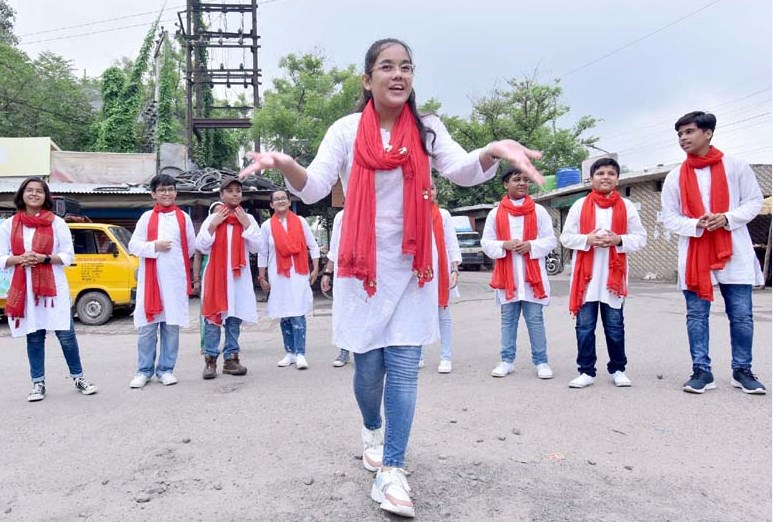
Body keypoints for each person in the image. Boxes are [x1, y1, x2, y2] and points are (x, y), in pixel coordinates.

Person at [238, 38, 542, 518]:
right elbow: (316, 186)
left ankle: (393, 469)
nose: (397, 75)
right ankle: (371, 428)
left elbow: (462, 172)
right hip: (361, 267)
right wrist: (285, 164)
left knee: (403, 366)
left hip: (412, 263)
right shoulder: (345, 130)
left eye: (406, 67)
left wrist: (492, 151)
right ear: (368, 78)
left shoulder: (427, 129)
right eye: (386, 67)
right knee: (368, 372)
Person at [661, 111, 766, 395]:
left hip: (734, 251)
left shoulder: (736, 166)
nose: (683, 138)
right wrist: (696, 222)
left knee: (741, 315)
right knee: (696, 315)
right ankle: (701, 371)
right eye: (680, 134)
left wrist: (727, 218)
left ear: (708, 133)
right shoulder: (674, 177)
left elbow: (755, 201)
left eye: (689, 131)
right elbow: (668, 217)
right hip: (695, 252)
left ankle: (742, 370)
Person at [0, 177, 98, 401]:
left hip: (53, 288)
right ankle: (38, 383)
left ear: (46, 197)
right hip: (26, 288)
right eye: (29, 190)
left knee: (66, 335)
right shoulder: (9, 224)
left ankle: (78, 377)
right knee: (34, 336)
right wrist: (20, 258)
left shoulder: (56, 223)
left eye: (39, 191)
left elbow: (67, 256)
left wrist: (43, 258)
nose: (34, 194)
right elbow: (1, 257)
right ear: (22, 195)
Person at [560, 157, 647, 389]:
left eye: (611, 173)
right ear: (592, 178)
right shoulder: (579, 205)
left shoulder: (626, 206)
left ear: (617, 179)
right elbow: (566, 237)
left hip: (613, 278)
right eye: (600, 173)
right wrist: (588, 239)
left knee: (615, 326)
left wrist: (618, 239)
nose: (605, 177)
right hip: (585, 280)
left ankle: (618, 368)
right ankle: (586, 371)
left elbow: (640, 238)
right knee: (585, 327)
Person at [482, 167, 557, 379]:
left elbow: (550, 240)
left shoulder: (538, 211)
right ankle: (507, 361)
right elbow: (486, 242)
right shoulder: (495, 213)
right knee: (508, 321)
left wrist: (531, 246)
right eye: (517, 179)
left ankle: (541, 362)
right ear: (506, 184)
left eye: (525, 180)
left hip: (532, 279)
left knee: (535, 320)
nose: (522, 183)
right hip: (507, 278)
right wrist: (503, 244)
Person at [128, 174, 196, 388]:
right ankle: (144, 371)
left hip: (174, 281)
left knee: (170, 328)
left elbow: (191, 247)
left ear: (176, 192)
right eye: (162, 190)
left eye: (171, 189)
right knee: (148, 329)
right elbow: (133, 245)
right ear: (153, 194)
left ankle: (166, 369)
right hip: (151, 282)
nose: (167, 193)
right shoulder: (146, 218)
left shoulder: (183, 218)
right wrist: (154, 246)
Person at [196, 178, 261, 379]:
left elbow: (257, 247)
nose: (235, 194)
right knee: (213, 320)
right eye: (230, 191)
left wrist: (246, 225)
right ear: (221, 195)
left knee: (234, 319)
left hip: (238, 278)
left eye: (238, 191)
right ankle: (210, 361)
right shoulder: (213, 218)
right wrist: (213, 226)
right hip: (217, 277)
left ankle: (231, 360)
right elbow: (201, 246)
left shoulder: (246, 217)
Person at [258, 189, 320, 370]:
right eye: (276, 199)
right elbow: (263, 253)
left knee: (298, 312)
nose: (280, 201)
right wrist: (262, 277)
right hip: (278, 275)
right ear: (271, 204)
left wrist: (315, 268)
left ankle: (300, 353)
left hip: (299, 274)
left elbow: (312, 245)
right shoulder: (267, 226)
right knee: (284, 314)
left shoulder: (300, 222)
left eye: (283, 198)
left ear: (288, 200)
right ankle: (290, 353)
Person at [419, 179, 461, 374]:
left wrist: (454, 269)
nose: (430, 192)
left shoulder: (443, 215)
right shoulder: (411, 212)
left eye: (433, 188)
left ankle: (446, 357)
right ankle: (417, 355)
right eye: (425, 189)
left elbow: (451, 243)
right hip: (419, 272)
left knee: (443, 314)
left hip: (441, 271)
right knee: (416, 315)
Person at [321, 207, 352, 367]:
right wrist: (327, 272)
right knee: (344, 310)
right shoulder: (341, 216)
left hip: (371, 271)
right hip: (346, 272)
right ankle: (344, 350)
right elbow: (334, 248)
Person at [192, 201, 225, 351]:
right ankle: (206, 344)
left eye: (222, 211)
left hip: (225, 272)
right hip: (208, 272)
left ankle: (228, 344)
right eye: (216, 212)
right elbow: (197, 257)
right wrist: (196, 280)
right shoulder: (204, 235)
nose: (220, 214)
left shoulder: (228, 231)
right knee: (207, 308)